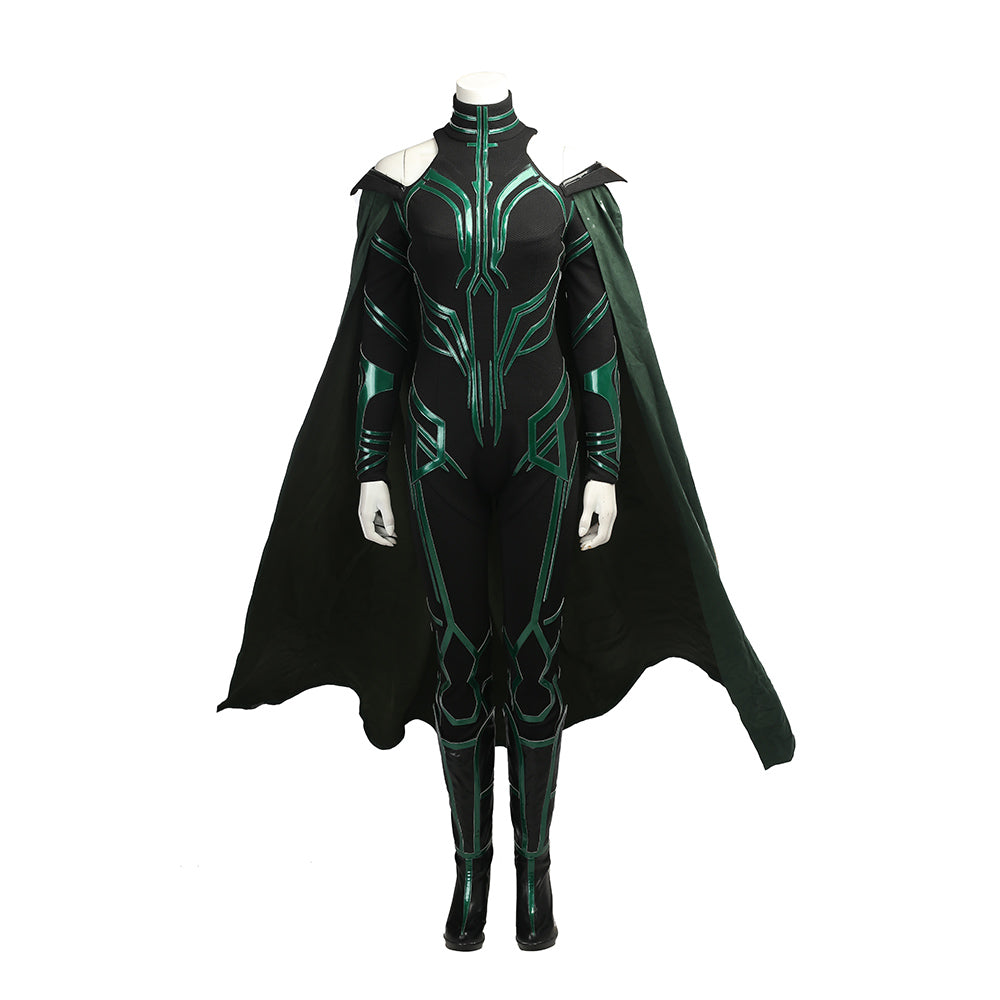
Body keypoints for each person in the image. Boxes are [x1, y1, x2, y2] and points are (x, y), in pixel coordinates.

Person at [216, 70, 796, 954]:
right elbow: (380, 336)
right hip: (436, 451)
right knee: (457, 656)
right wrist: (369, 469)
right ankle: (469, 870)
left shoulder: (563, 171)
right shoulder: (403, 177)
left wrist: (604, 468)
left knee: (533, 653)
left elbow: (595, 333)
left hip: (545, 451)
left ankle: (535, 871)